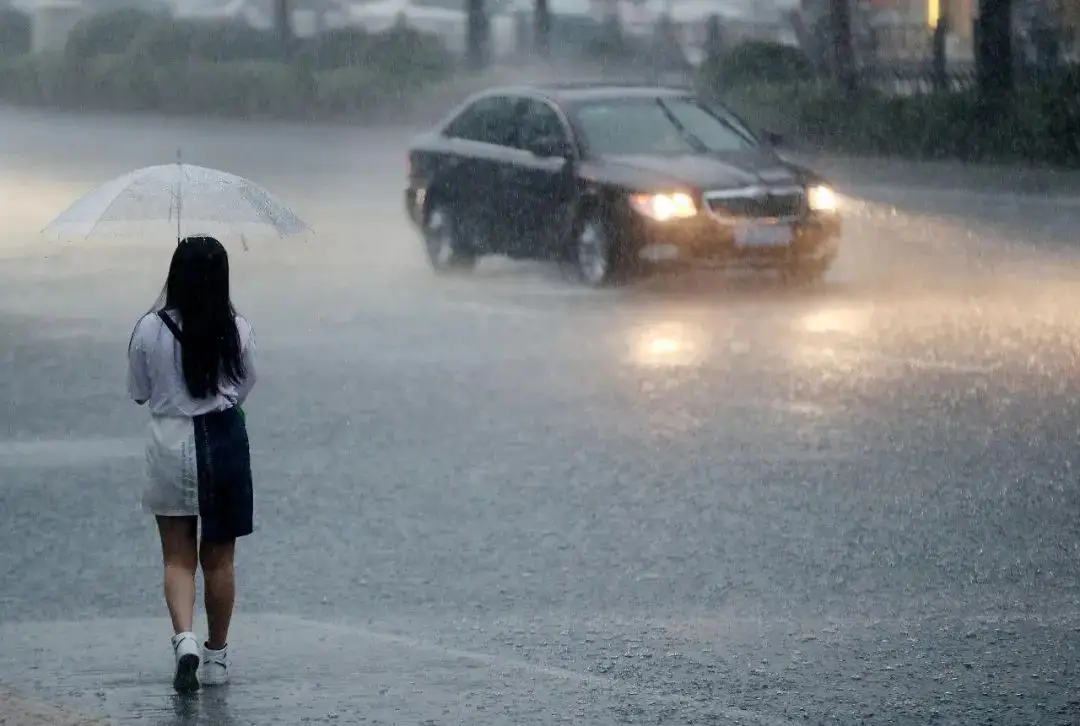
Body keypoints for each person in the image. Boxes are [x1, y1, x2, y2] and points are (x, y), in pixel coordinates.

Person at [126, 235, 257, 693]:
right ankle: (217, 657)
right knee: (219, 558)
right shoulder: (236, 328)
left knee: (177, 556)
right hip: (221, 440)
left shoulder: (148, 329)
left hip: (169, 441)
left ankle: (184, 640)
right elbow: (245, 386)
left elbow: (139, 391)